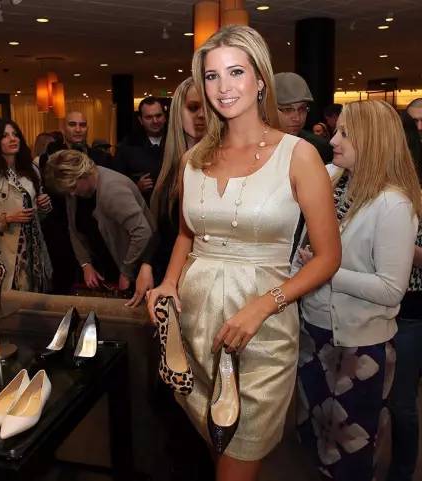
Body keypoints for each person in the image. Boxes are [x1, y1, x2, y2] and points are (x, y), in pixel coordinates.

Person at [146, 25, 341, 481]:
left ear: (259, 79)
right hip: (194, 328)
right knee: (216, 450)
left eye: (236, 72)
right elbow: (186, 234)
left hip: (262, 331)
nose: (223, 87)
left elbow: (328, 256)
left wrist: (264, 305)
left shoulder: (298, 154)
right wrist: (169, 282)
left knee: (239, 457)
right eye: (211, 76)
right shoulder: (194, 159)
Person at [296, 100, 421, 481]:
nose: (333, 139)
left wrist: (323, 270)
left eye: (345, 133)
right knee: (314, 442)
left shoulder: (393, 204)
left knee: (350, 455)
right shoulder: (334, 178)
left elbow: (390, 289)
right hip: (314, 334)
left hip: (358, 348)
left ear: (373, 140)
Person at [126, 77, 205, 307]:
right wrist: (147, 264)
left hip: (204, 274)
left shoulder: (222, 163)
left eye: (207, 107)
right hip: (171, 271)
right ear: (178, 112)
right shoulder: (170, 162)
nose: (201, 115)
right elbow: (165, 226)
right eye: (193, 108)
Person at [44, 149, 155, 293]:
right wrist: (86, 264)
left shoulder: (112, 190)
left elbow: (142, 232)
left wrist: (126, 272)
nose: (71, 193)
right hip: (108, 268)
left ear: (84, 174)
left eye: (73, 187)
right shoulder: (74, 190)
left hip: (137, 269)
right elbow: (73, 229)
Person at [0, 118, 52, 292]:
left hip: (34, 252)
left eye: (15, 134)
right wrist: (7, 218)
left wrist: (43, 206)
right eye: (5, 136)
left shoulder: (31, 170)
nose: (12, 139)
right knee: (7, 303)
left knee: (34, 301)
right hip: (4, 254)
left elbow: (37, 217)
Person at [386, 110, 422, 481]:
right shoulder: (361, 181)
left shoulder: (417, 188)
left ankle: (402, 471)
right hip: (373, 308)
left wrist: (395, 242)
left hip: (410, 310)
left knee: (401, 402)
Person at [115, 97, 167, 203]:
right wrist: (136, 187)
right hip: (141, 207)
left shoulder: (176, 141)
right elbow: (117, 183)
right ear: (140, 120)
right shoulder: (128, 146)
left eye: (158, 116)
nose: (155, 121)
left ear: (165, 117)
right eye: (149, 117)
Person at [274, 72, 333, 163]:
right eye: (287, 109)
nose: (297, 118)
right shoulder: (253, 147)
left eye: (302, 109)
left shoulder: (319, 148)